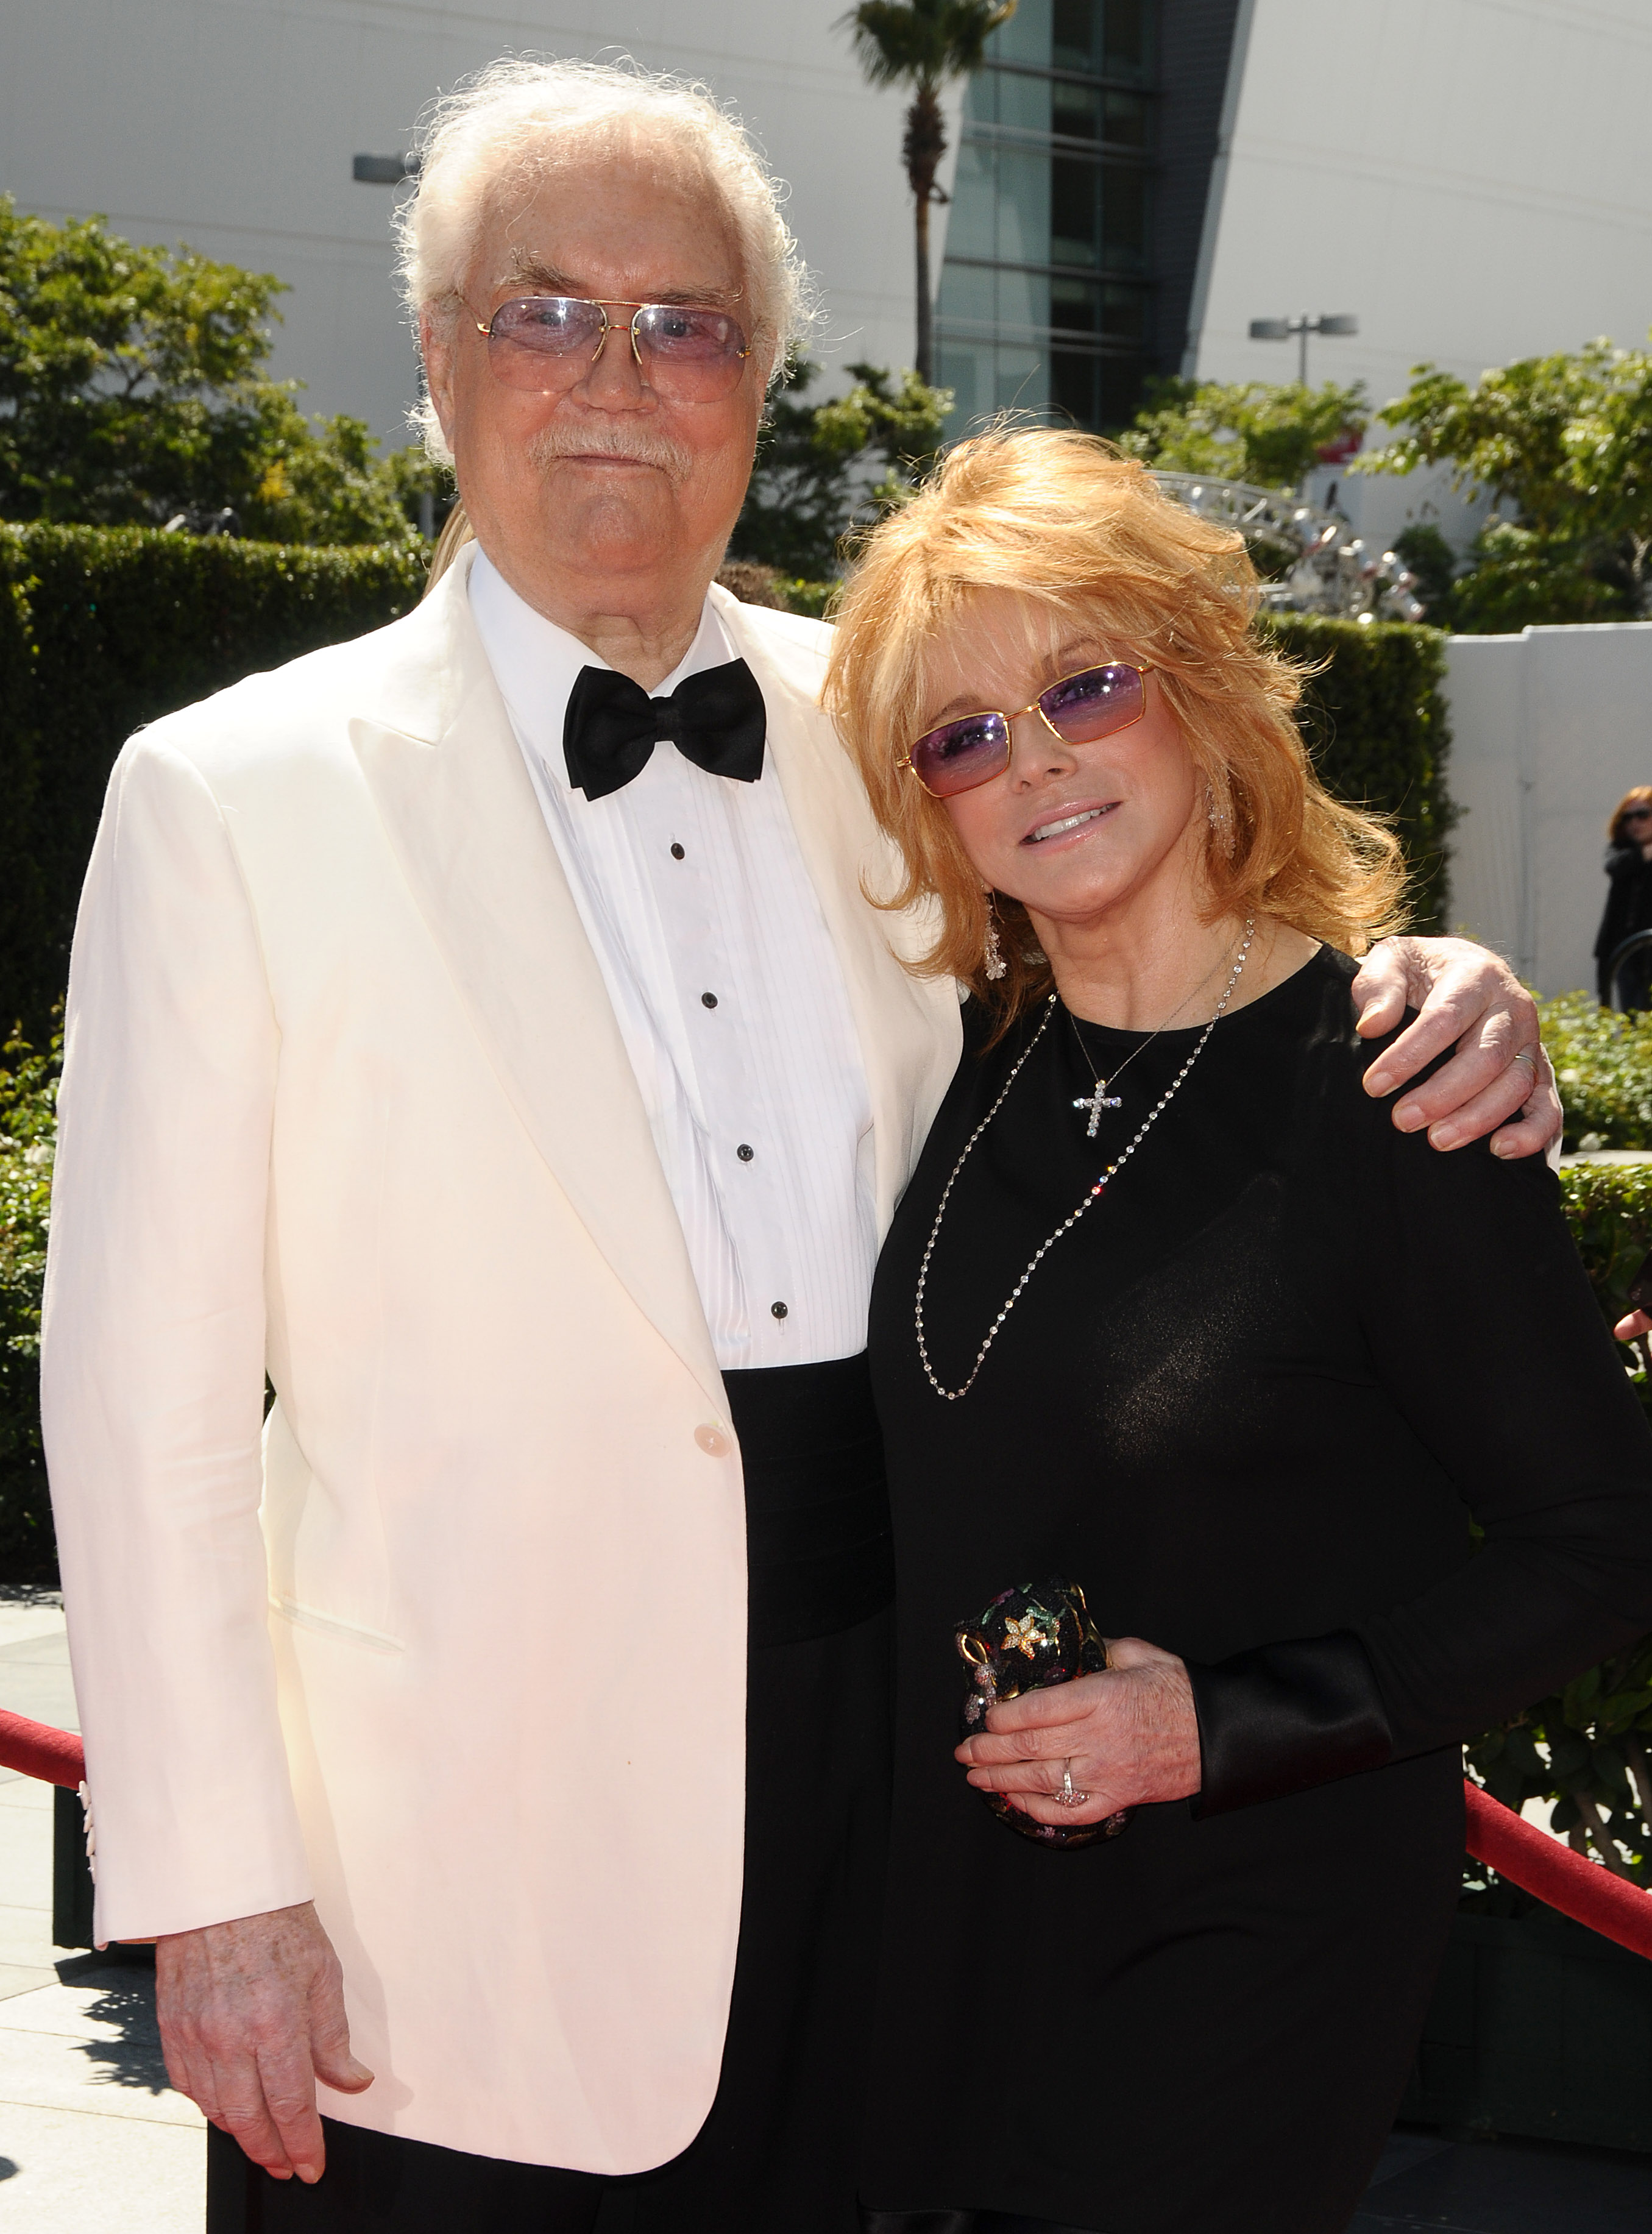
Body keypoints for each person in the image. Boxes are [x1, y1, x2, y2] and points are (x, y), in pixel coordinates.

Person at [40, 59, 1557, 2234]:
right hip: (452, 1876)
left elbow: (1170, 945)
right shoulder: (228, 793)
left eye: (686, 323)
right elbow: (143, 1403)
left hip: (904, 1794)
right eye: (544, 311)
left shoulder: (905, 724)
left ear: (755, 374)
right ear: (437, 355)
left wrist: (1431, 978)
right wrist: (210, 1890)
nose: (616, 380)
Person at [821, 430, 1652, 2234]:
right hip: (958, 1924)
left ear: (1195, 695)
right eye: (961, 734)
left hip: (1254, 1934)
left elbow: (1604, 1546)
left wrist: (1221, 1722)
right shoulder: (955, 1069)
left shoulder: (1396, 1080)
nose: (1030, 758)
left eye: (1082, 684)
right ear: (931, 806)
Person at [1594, 784, 1652, 1007]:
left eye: (1642, 815)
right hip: (1624, 950)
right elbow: (1615, 866)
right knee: (1631, 1015)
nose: (1634, 823)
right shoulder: (1621, 849)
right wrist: (1645, 853)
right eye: (1627, 818)